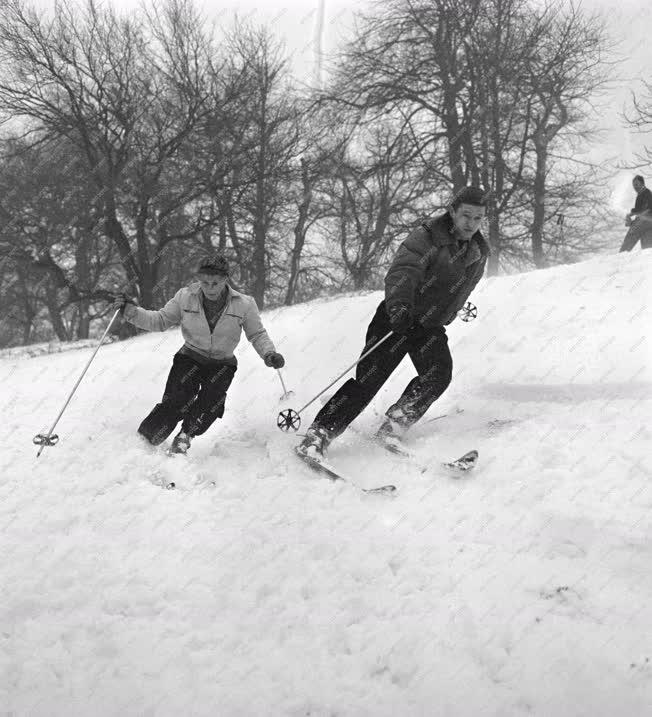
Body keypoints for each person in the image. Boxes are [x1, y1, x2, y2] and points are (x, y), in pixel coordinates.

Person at [297, 185, 491, 459]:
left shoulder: (478, 252)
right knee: (368, 381)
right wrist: (399, 308)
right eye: (466, 216)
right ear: (452, 212)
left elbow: (462, 288)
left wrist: (446, 313)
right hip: (396, 318)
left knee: (438, 374)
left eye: (478, 218)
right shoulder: (427, 237)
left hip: (428, 325)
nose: (471, 224)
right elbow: (403, 272)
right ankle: (319, 433)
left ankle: (395, 423)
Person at [113, 255, 285, 454]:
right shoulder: (185, 297)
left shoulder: (244, 304)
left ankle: (185, 436)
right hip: (190, 357)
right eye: (205, 282)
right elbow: (159, 320)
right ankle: (146, 441)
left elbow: (257, 334)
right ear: (198, 279)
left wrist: (269, 353)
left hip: (222, 363)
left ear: (226, 280)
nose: (210, 288)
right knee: (177, 400)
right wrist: (130, 311)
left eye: (215, 283)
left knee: (211, 402)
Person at [620, 175, 652, 252]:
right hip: (648, 223)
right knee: (647, 247)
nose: (635, 187)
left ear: (642, 184)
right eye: (634, 185)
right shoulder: (641, 194)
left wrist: (634, 221)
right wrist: (630, 215)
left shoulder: (647, 193)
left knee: (631, 234)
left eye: (637, 184)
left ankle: (621, 254)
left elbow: (647, 209)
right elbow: (638, 209)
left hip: (646, 219)